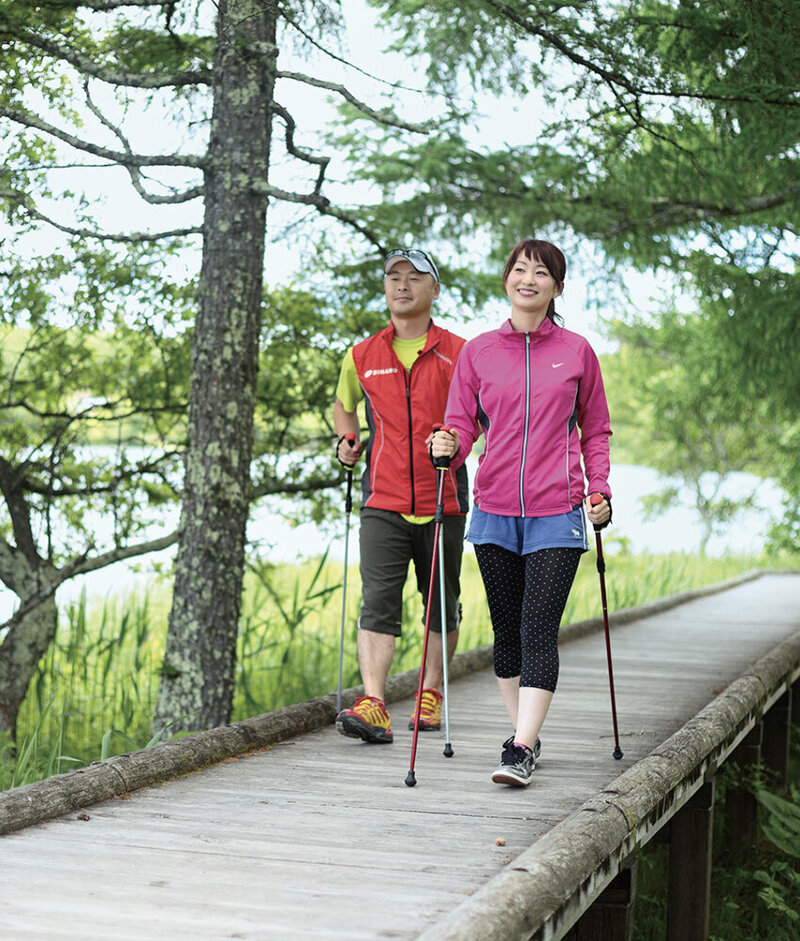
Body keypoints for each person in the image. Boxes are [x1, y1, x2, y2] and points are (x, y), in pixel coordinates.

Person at [430, 238, 612, 786]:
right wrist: (447, 445)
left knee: (538, 626)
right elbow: (461, 425)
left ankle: (522, 745)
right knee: (506, 631)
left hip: (557, 511)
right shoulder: (480, 351)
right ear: (506, 279)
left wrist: (599, 490)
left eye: (541, 272)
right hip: (494, 510)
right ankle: (521, 739)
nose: (527, 279)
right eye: (519, 269)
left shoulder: (576, 352)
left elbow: (595, 430)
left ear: (557, 286)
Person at [333, 248, 468, 745]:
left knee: (440, 602)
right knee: (378, 602)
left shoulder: (460, 351)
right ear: (385, 288)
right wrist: (347, 444)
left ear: (435, 290)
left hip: (444, 498)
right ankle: (374, 702)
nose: (403, 285)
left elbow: (480, 417)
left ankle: (429, 692)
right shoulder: (362, 355)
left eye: (415, 277)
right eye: (394, 277)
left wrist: (458, 440)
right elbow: (344, 408)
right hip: (383, 498)